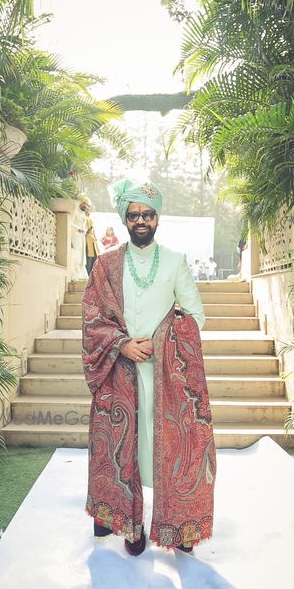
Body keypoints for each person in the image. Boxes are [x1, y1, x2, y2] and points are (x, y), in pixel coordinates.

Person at [82, 179, 216, 556]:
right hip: (119, 376)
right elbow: (92, 319)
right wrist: (122, 345)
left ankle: (178, 525)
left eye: (148, 214)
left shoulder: (175, 261)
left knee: (172, 451)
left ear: (158, 218)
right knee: (127, 452)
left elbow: (195, 316)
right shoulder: (106, 265)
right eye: (134, 214)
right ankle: (131, 525)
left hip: (167, 378)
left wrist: (160, 344)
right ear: (125, 218)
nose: (141, 220)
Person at [80, 197, 99, 275]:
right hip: (87, 245)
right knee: (88, 267)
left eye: (89, 206)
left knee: (94, 268)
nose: (88, 207)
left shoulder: (89, 218)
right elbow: (84, 231)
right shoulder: (83, 217)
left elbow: (92, 231)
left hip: (93, 246)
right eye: (86, 205)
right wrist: (91, 236)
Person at [70, 200, 87, 280]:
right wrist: (78, 229)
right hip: (75, 236)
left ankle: (80, 275)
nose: (85, 205)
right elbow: (70, 223)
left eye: (87, 204)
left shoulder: (83, 214)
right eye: (84, 203)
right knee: (76, 254)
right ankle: (74, 275)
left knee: (81, 257)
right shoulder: (75, 212)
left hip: (82, 237)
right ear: (80, 203)